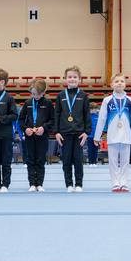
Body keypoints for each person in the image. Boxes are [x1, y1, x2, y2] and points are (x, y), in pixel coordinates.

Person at [93, 74, 131, 192]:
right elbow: (102, 119)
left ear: (125, 84)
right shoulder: (107, 100)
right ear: (112, 84)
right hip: (112, 134)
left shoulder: (130, 100)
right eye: (117, 81)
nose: (119, 83)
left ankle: (124, 182)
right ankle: (115, 182)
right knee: (113, 161)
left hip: (126, 134)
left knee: (125, 161)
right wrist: (97, 136)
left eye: (122, 81)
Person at [54, 65, 91, 193]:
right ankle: (69, 184)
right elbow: (57, 114)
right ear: (65, 79)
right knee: (66, 160)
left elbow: (87, 115)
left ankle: (79, 184)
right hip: (65, 133)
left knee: (78, 160)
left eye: (75, 77)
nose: (72, 79)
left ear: (79, 79)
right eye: (69, 77)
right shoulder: (60, 95)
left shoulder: (83, 95)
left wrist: (87, 132)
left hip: (79, 134)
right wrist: (57, 132)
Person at [18, 79, 54, 192]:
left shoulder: (48, 103)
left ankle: (40, 183)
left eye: (37, 94)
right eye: (32, 93)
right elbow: (21, 120)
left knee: (40, 159)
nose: (35, 96)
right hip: (29, 136)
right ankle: (32, 183)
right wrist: (25, 129)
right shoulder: (28, 103)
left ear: (43, 92)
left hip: (42, 136)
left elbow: (52, 120)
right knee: (30, 159)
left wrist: (44, 128)